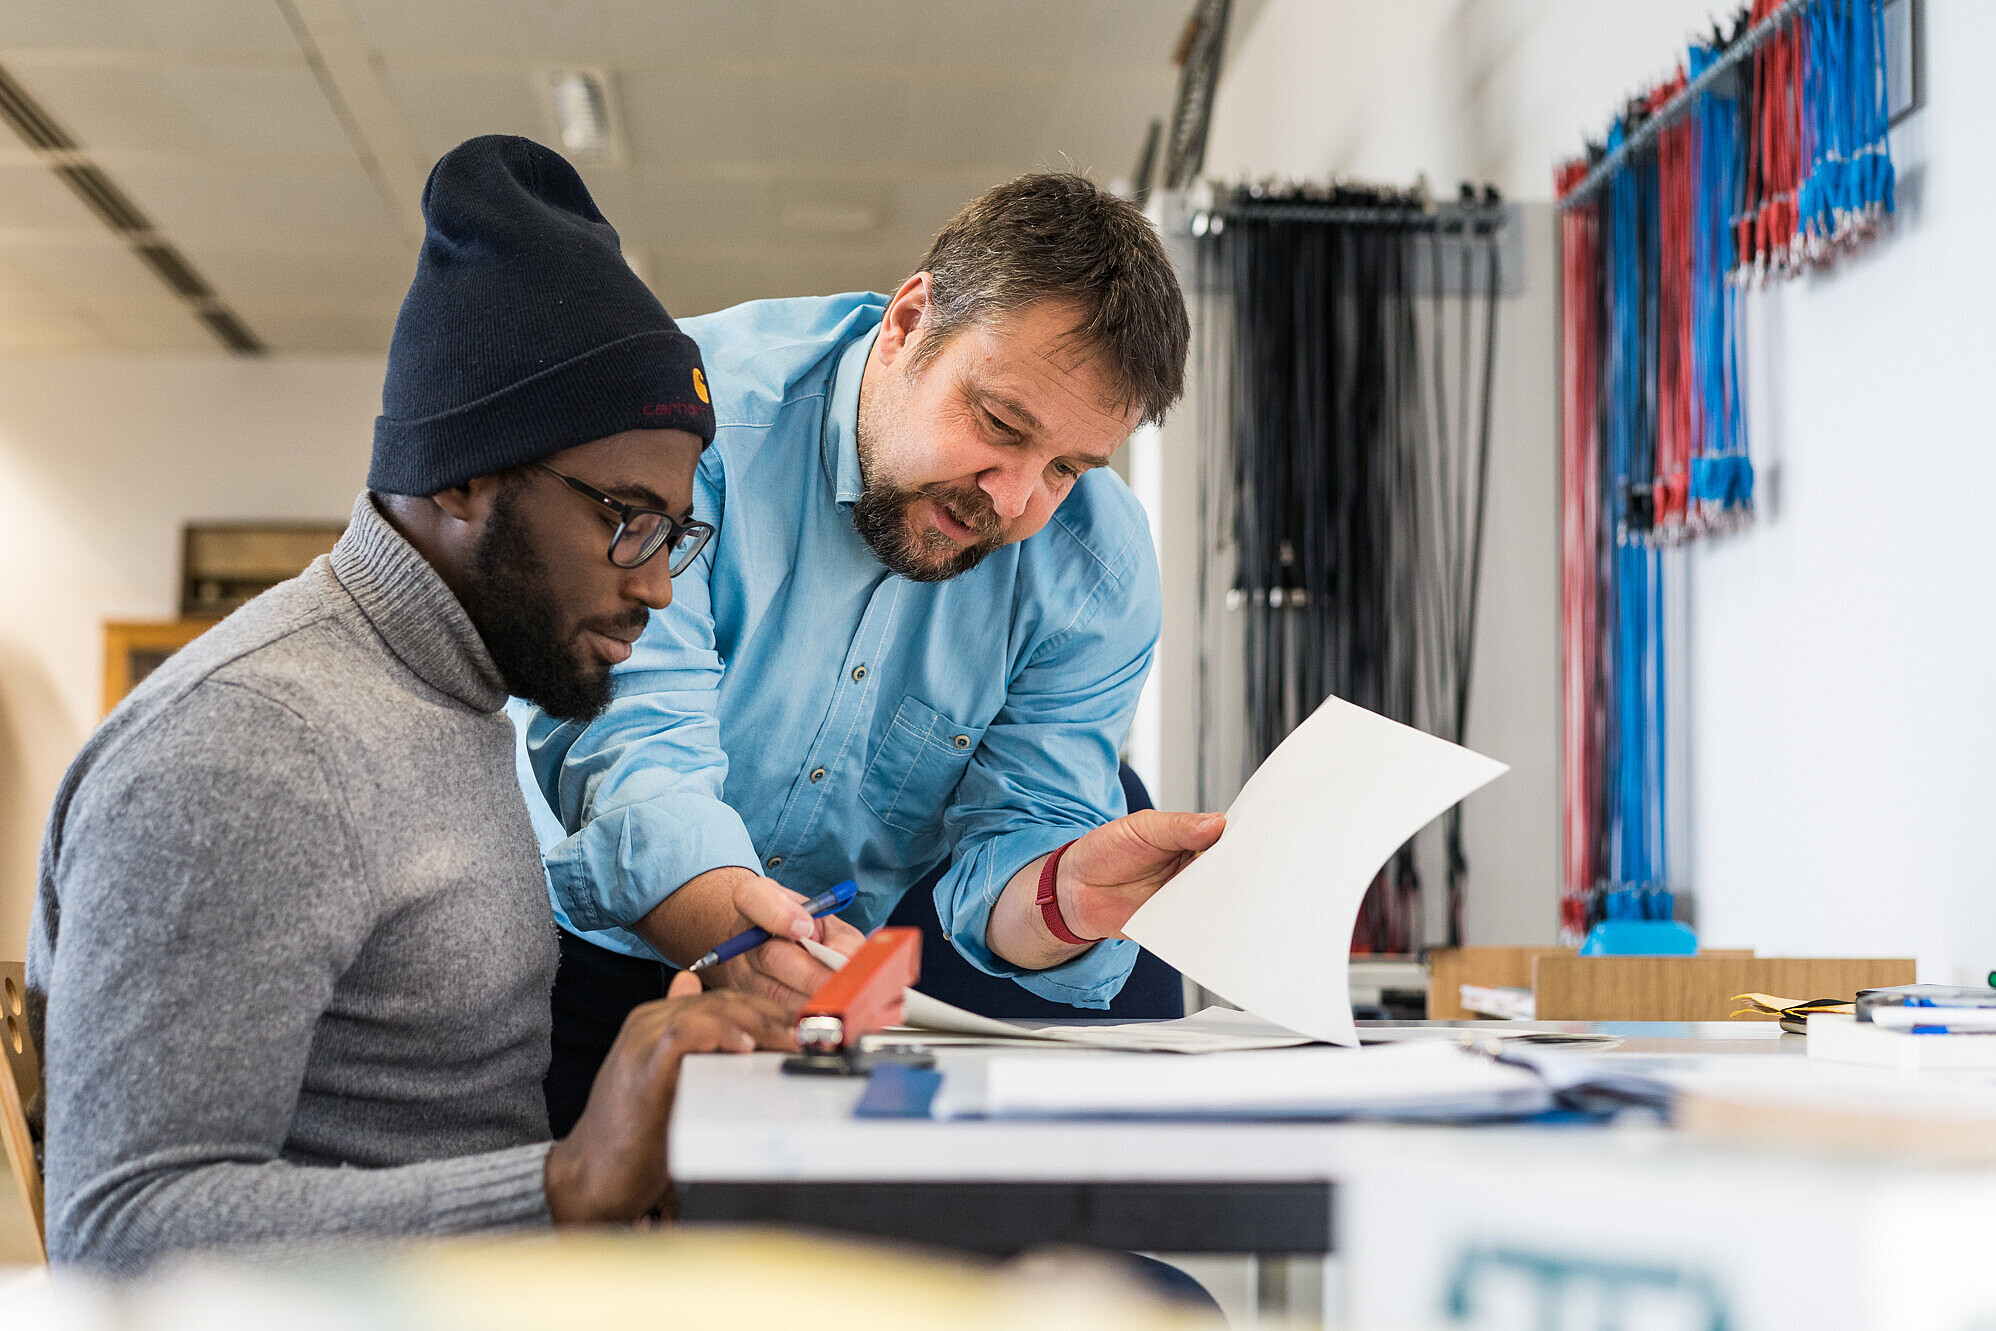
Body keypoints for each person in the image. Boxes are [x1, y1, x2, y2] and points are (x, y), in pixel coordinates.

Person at [25, 136, 828, 1273]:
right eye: (625, 518)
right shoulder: (249, 748)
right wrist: (565, 1183)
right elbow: (118, 1234)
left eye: (675, 533)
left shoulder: (449, 698)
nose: (656, 584)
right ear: (463, 472)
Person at [518, 171, 1225, 1134]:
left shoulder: (1094, 570)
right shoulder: (682, 424)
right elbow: (635, 752)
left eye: (1066, 466)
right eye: (1000, 425)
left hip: (812, 977)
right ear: (908, 322)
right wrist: (740, 933)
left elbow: (1018, 835)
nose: (1013, 500)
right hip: (560, 952)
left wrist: (1063, 896)